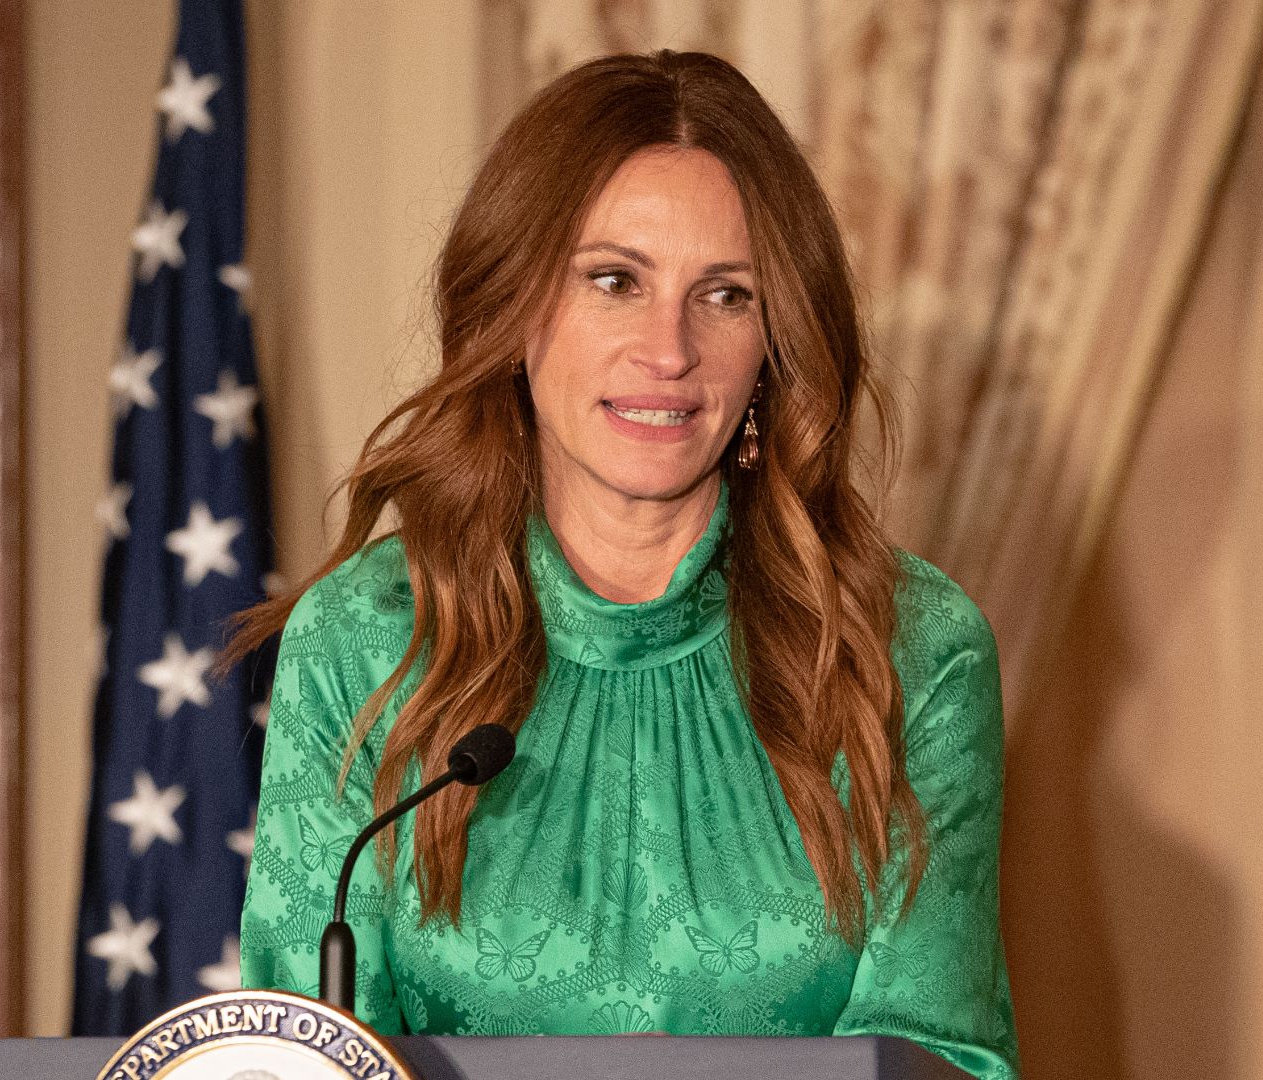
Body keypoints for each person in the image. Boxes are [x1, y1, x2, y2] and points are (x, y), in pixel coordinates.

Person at [228, 50, 1018, 1080]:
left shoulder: (911, 649)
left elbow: (941, 1055)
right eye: (615, 281)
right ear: (515, 309)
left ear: (774, 343)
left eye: (725, 295)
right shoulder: (366, 636)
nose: (669, 350)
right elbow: (299, 1055)